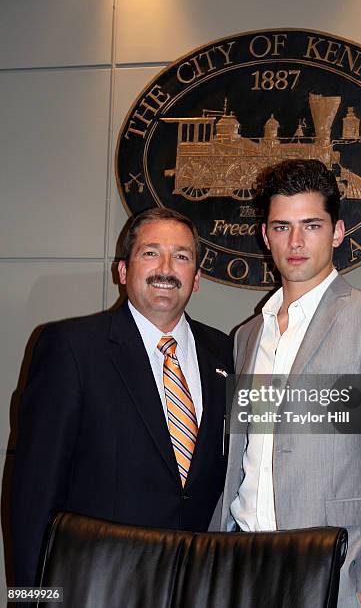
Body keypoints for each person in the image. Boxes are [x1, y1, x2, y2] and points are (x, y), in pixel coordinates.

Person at [221, 159, 361, 608]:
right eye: (281, 227)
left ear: (337, 232)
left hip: (333, 573)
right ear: (265, 236)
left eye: (311, 225)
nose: (295, 242)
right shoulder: (247, 336)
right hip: (240, 563)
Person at [11, 207, 233, 587]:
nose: (166, 267)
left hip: (199, 586)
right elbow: (33, 492)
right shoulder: (71, 348)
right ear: (123, 271)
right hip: (98, 586)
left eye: (181, 256)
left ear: (196, 279)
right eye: (150, 253)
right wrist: (31, 595)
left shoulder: (227, 353)